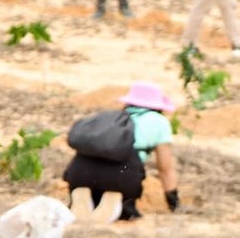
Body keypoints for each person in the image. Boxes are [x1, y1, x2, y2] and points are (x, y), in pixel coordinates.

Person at [63, 81, 180, 220]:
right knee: (125, 210)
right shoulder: (159, 122)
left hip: (80, 171)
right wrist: (173, 201)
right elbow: (165, 168)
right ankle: (117, 202)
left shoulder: (114, 119)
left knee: (89, 193)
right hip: (121, 174)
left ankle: (84, 196)